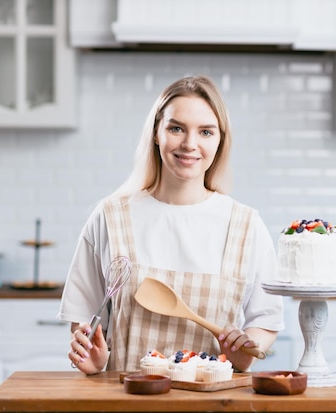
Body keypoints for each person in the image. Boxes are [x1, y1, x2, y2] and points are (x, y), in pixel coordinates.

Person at [57, 75, 284, 375]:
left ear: (220, 140)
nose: (190, 144)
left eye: (206, 132)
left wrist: (245, 350)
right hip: (125, 404)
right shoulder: (110, 217)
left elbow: (265, 320)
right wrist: (96, 361)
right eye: (176, 128)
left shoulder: (246, 226)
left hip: (216, 407)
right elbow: (85, 323)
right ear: (156, 133)